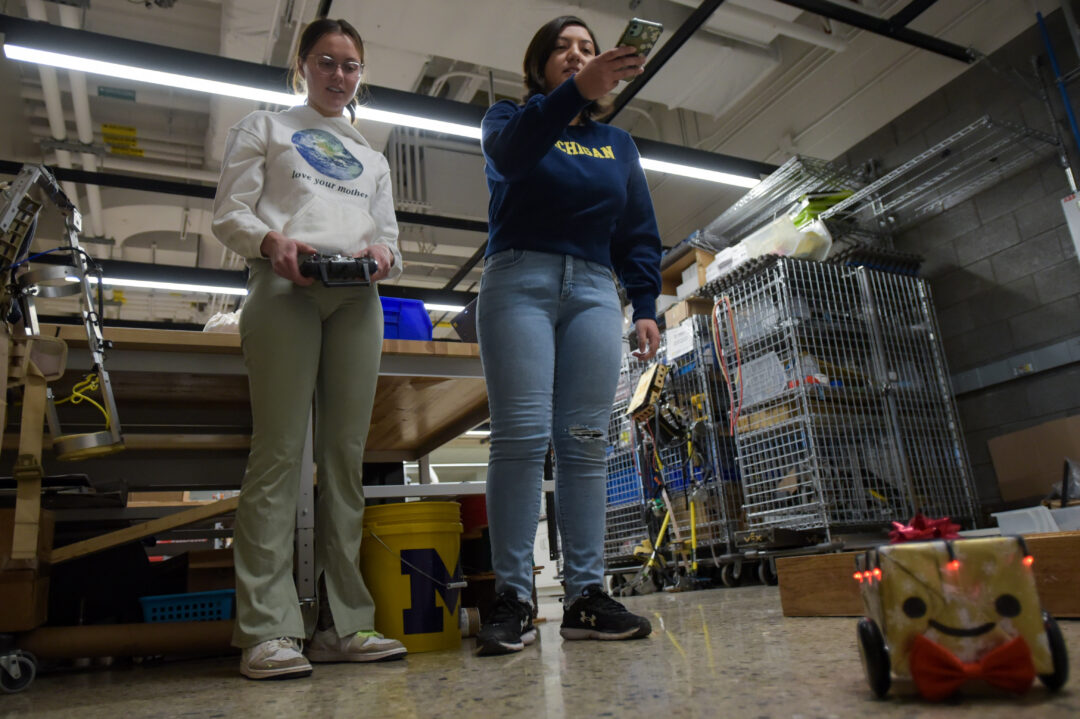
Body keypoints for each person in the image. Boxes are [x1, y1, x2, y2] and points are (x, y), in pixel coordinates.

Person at [212, 17, 406, 680]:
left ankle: (344, 623)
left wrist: (381, 253)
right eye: (326, 62)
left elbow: (389, 239)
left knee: (346, 459)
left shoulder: (372, 158)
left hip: (358, 297)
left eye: (351, 66)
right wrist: (273, 243)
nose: (339, 76)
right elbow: (230, 212)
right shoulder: (266, 127)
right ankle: (267, 629)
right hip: (285, 285)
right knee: (279, 452)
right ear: (302, 65)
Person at [474, 15, 662, 656]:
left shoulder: (618, 144)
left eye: (587, 49)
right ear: (541, 65)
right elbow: (512, 160)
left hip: (591, 290)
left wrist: (645, 303)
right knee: (522, 436)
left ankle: (585, 595)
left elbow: (637, 226)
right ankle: (513, 598)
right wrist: (573, 94)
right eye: (563, 49)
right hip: (518, 279)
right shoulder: (509, 118)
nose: (577, 56)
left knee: (585, 442)